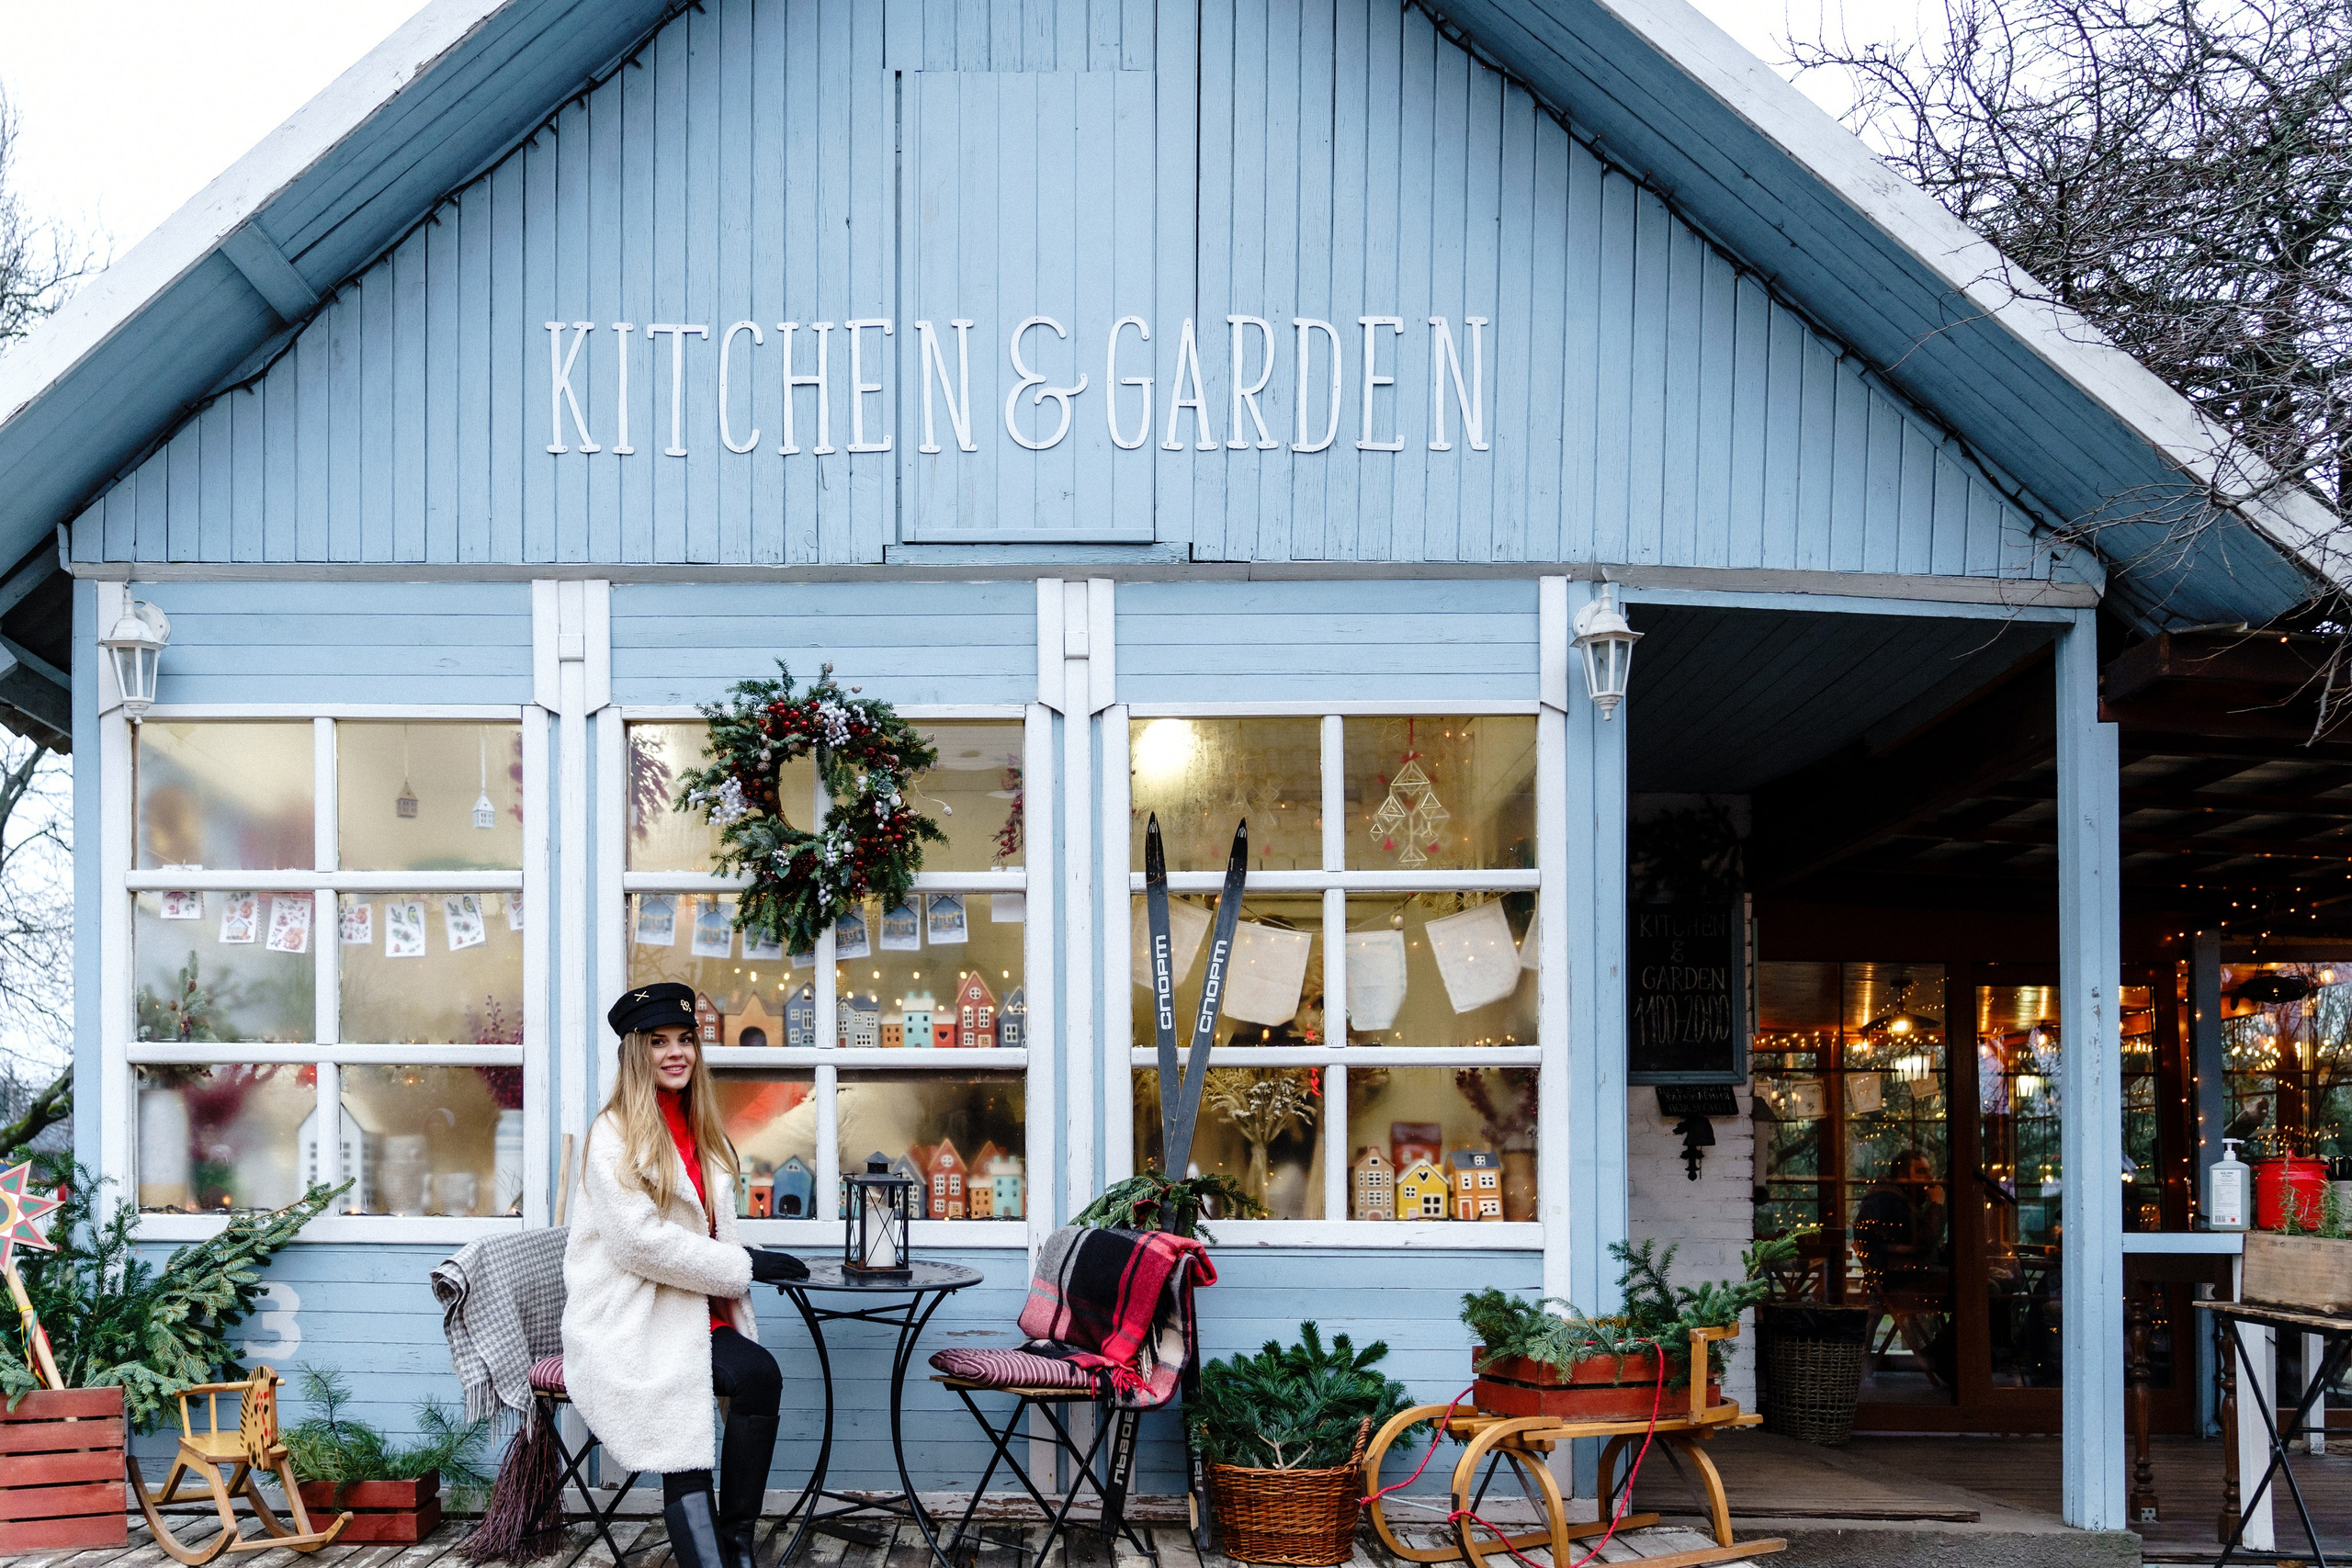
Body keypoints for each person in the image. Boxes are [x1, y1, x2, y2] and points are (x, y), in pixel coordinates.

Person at [562, 982, 806, 1568]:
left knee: (759, 1376)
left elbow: (705, 1231)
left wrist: (749, 1255)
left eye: (685, 1040)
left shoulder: (703, 1129)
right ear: (634, 1053)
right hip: (631, 1310)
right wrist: (747, 1266)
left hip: (694, 1305)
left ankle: (737, 1546)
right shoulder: (612, 1134)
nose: (677, 1053)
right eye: (658, 1042)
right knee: (683, 1411)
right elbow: (640, 1244)